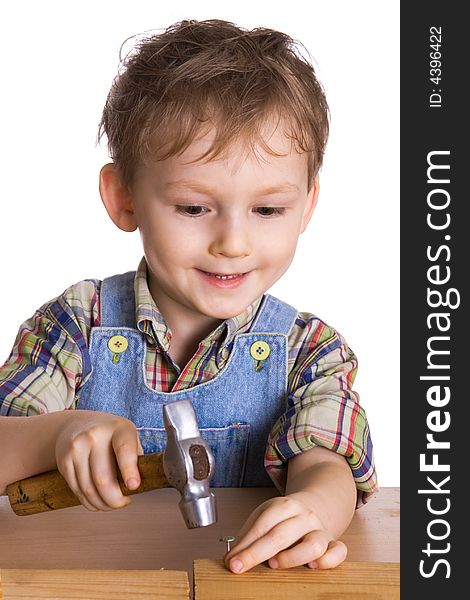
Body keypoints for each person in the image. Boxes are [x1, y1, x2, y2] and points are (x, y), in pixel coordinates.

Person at [0, 19, 378, 574]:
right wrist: (58, 432)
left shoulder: (308, 352)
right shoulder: (77, 326)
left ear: (308, 205)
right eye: (194, 208)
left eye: (268, 210)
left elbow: (327, 461)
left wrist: (314, 508)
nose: (233, 243)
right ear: (124, 198)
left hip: (241, 585)